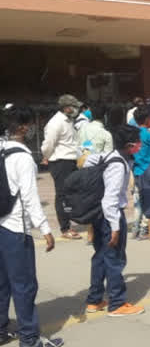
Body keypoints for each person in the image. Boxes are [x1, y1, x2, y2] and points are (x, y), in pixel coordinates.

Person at [0, 106, 64, 347]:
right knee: (24, 285)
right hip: (16, 228)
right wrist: (45, 229)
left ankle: (2, 329)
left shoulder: (2, 148)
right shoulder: (23, 157)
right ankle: (29, 339)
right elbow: (29, 198)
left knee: (2, 283)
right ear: (24, 127)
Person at [84, 125, 146, 317]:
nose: (140, 145)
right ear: (129, 145)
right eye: (137, 143)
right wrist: (115, 228)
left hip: (98, 214)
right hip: (110, 215)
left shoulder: (107, 156)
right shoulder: (118, 165)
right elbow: (110, 199)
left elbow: (86, 161)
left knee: (101, 256)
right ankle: (117, 303)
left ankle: (94, 300)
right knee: (115, 259)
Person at [41, 94, 83, 240]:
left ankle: (70, 221)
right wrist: (47, 156)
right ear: (66, 108)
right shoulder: (56, 122)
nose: (77, 109)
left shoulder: (69, 121)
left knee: (71, 193)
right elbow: (48, 144)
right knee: (62, 195)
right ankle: (65, 227)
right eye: (74, 107)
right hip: (60, 162)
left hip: (71, 161)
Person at [130, 106, 150, 240]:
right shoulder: (149, 135)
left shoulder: (132, 134)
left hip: (136, 171)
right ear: (148, 120)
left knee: (137, 201)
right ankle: (144, 229)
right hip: (148, 171)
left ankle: (134, 229)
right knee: (148, 200)